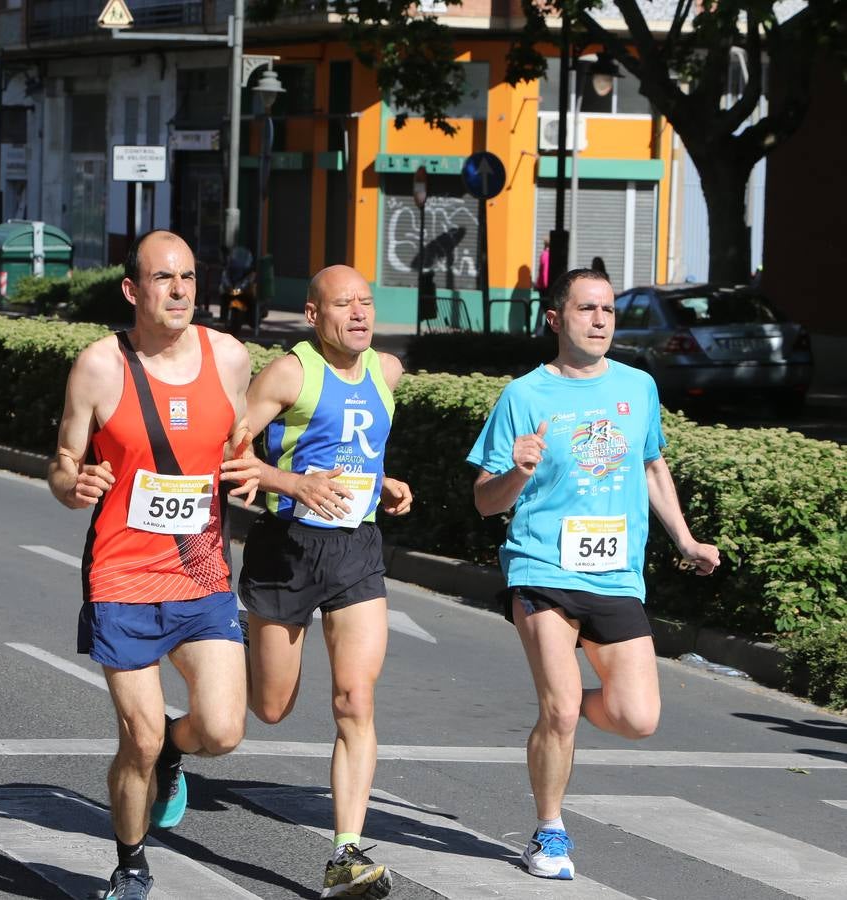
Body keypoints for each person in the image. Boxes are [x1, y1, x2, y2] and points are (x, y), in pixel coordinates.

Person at [466, 268, 720, 881]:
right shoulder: (523, 397)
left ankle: (560, 705)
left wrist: (684, 539)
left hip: (614, 575)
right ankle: (548, 831)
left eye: (607, 310)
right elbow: (484, 501)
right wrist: (518, 471)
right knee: (556, 710)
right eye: (587, 309)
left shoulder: (638, 386)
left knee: (639, 717)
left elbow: (653, 466)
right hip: (541, 566)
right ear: (556, 320)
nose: (601, 320)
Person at [48, 230, 259, 900]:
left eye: (189, 278)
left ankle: (177, 747)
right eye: (163, 279)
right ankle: (131, 863)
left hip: (200, 569)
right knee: (135, 739)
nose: (179, 292)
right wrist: (70, 483)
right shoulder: (99, 366)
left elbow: (240, 445)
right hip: (120, 574)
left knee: (222, 731)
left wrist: (251, 473)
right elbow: (61, 460)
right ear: (132, 291)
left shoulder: (229, 357)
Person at [237, 265, 412, 899]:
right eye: (345, 305)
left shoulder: (386, 372)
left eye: (367, 302)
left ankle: (346, 851)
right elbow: (231, 453)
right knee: (271, 708)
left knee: (354, 700)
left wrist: (380, 482)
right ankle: (186, 730)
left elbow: (355, 444)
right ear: (314, 316)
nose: (361, 314)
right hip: (286, 548)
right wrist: (292, 483)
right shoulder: (290, 373)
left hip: (356, 551)